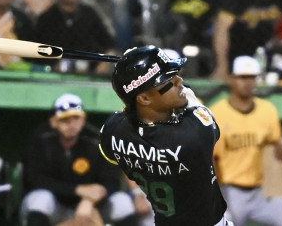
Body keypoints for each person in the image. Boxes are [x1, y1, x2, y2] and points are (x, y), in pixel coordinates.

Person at [98, 46, 230, 225]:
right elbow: (191, 100)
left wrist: (134, 69)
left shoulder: (112, 130)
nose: (180, 81)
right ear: (144, 99)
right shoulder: (193, 135)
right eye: (169, 81)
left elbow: (127, 113)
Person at [210, 55, 282, 226]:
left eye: (252, 77)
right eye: (243, 77)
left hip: (258, 193)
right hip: (228, 191)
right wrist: (217, 196)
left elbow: (278, 141)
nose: (248, 82)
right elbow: (210, 159)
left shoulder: (267, 110)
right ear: (231, 78)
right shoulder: (216, 113)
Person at [21, 93, 133, 226]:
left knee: (122, 202)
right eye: (65, 119)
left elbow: (111, 182)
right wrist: (77, 189)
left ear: (83, 120)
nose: (71, 124)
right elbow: (35, 180)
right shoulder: (42, 140)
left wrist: (89, 201)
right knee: (40, 199)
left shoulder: (95, 141)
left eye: (76, 118)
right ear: (54, 121)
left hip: (90, 208)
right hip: (57, 208)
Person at [158, 0, 242, 78]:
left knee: (227, 29)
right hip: (178, 15)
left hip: (209, 19)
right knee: (177, 29)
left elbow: (231, 0)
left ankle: (219, 72)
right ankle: (169, 73)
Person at [35, 0, 115, 74]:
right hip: (54, 80)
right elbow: (37, 55)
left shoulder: (90, 14)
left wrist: (105, 62)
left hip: (89, 78)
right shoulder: (46, 20)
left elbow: (109, 45)